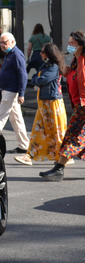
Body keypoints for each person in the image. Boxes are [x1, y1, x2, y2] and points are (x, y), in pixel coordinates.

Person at [40, 30, 85, 181]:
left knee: (73, 136)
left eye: (72, 43)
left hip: (83, 106)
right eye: (69, 42)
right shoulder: (75, 61)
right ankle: (59, 168)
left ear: (81, 45)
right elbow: (73, 76)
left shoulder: (84, 61)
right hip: (80, 105)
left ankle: (59, 168)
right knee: (75, 137)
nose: (69, 45)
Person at [14, 43, 67, 166]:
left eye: (42, 52)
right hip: (44, 103)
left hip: (52, 103)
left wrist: (36, 79)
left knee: (56, 131)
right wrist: (36, 78)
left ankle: (63, 156)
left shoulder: (53, 67)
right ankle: (29, 156)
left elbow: (40, 79)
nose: (40, 53)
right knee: (37, 129)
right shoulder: (46, 65)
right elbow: (36, 77)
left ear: (48, 53)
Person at [0, 32, 30, 154]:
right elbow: (3, 76)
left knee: (0, 116)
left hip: (11, 91)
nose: (2, 45)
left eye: (4, 42)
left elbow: (23, 75)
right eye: (0, 42)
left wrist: (22, 93)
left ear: (12, 42)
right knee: (16, 119)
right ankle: (24, 145)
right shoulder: (8, 54)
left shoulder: (16, 55)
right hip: (7, 90)